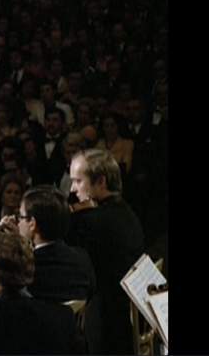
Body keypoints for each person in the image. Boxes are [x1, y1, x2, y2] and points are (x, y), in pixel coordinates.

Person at [67, 149, 144, 354]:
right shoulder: (125, 212)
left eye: (78, 181)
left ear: (101, 181)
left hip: (106, 326)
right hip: (123, 321)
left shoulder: (93, 222)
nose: (72, 189)